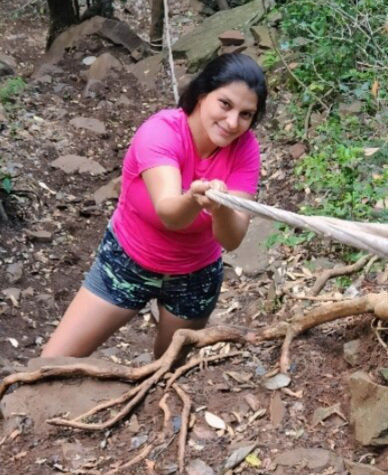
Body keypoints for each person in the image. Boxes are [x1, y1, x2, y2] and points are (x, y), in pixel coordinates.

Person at [41, 52, 267, 359]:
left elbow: (232, 238)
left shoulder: (246, 149)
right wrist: (194, 198)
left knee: (165, 372)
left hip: (195, 277)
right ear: (202, 95)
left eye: (246, 114)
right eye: (225, 104)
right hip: (126, 262)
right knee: (49, 364)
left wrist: (220, 207)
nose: (232, 122)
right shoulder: (161, 132)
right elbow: (169, 213)